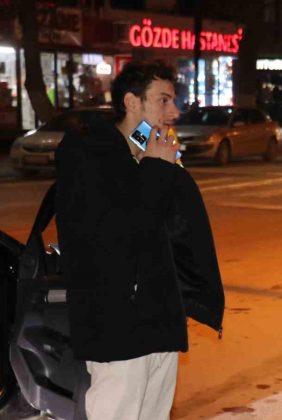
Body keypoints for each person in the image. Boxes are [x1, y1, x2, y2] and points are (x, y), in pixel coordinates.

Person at [55, 61, 225, 420]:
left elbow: (180, 232)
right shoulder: (87, 153)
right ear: (132, 102)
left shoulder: (154, 153)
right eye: (163, 100)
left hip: (160, 323)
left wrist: (194, 299)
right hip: (116, 327)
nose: (174, 112)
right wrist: (156, 169)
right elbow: (115, 233)